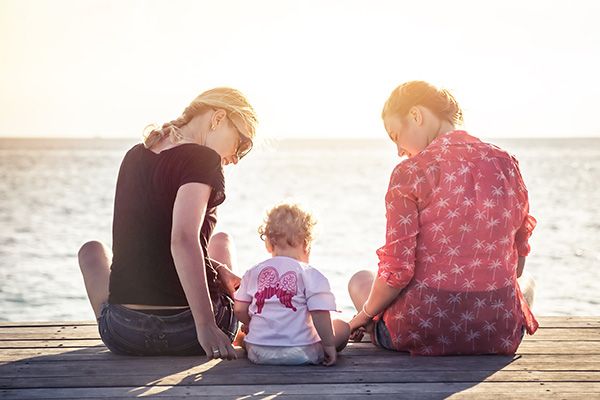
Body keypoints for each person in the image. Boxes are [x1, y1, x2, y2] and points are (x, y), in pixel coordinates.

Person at [348, 80, 538, 356]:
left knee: (359, 280)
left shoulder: (410, 172)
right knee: (527, 281)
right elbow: (518, 265)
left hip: (420, 330)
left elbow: (397, 272)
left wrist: (361, 318)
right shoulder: (506, 163)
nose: (398, 150)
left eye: (395, 135)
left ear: (416, 115)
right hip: (496, 332)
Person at [77, 87, 258, 359]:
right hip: (189, 333)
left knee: (91, 250)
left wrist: (216, 268)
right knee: (222, 242)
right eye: (241, 143)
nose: (235, 158)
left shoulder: (134, 155)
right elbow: (183, 239)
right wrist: (206, 325)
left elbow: (155, 241)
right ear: (218, 118)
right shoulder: (203, 160)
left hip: (123, 334)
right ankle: (211, 317)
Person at [234, 203, 350, 366]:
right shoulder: (310, 274)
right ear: (306, 245)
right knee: (342, 326)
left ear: (268, 244)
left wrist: (248, 323)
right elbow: (320, 313)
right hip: (302, 352)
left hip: (258, 352)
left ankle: (246, 341)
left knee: (253, 334)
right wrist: (329, 345)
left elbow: (239, 309)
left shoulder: (253, 272)